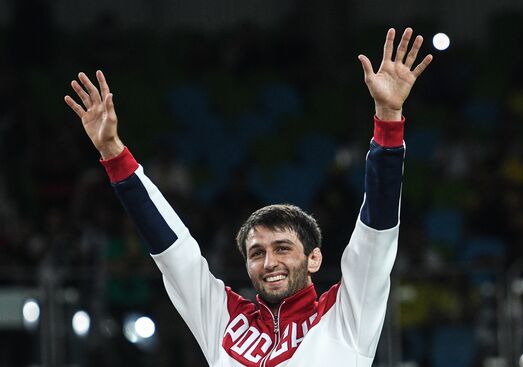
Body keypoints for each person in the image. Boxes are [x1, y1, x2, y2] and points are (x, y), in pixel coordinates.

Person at [64, 27, 432, 367]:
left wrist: (388, 118)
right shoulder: (224, 322)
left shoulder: (346, 316)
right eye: (257, 253)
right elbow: (174, 252)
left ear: (314, 258)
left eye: (283, 248)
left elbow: (377, 230)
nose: (269, 261)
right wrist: (113, 152)